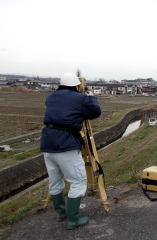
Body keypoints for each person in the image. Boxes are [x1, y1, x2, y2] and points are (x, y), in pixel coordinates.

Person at [40, 73, 101, 230]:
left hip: (47, 143)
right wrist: (90, 96)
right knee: (78, 181)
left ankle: (61, 214)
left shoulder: (51, 97)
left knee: (55, 180)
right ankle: (73, 220)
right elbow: (95, 112)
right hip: (66, 144)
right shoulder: (79, 98)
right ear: (76, 86)